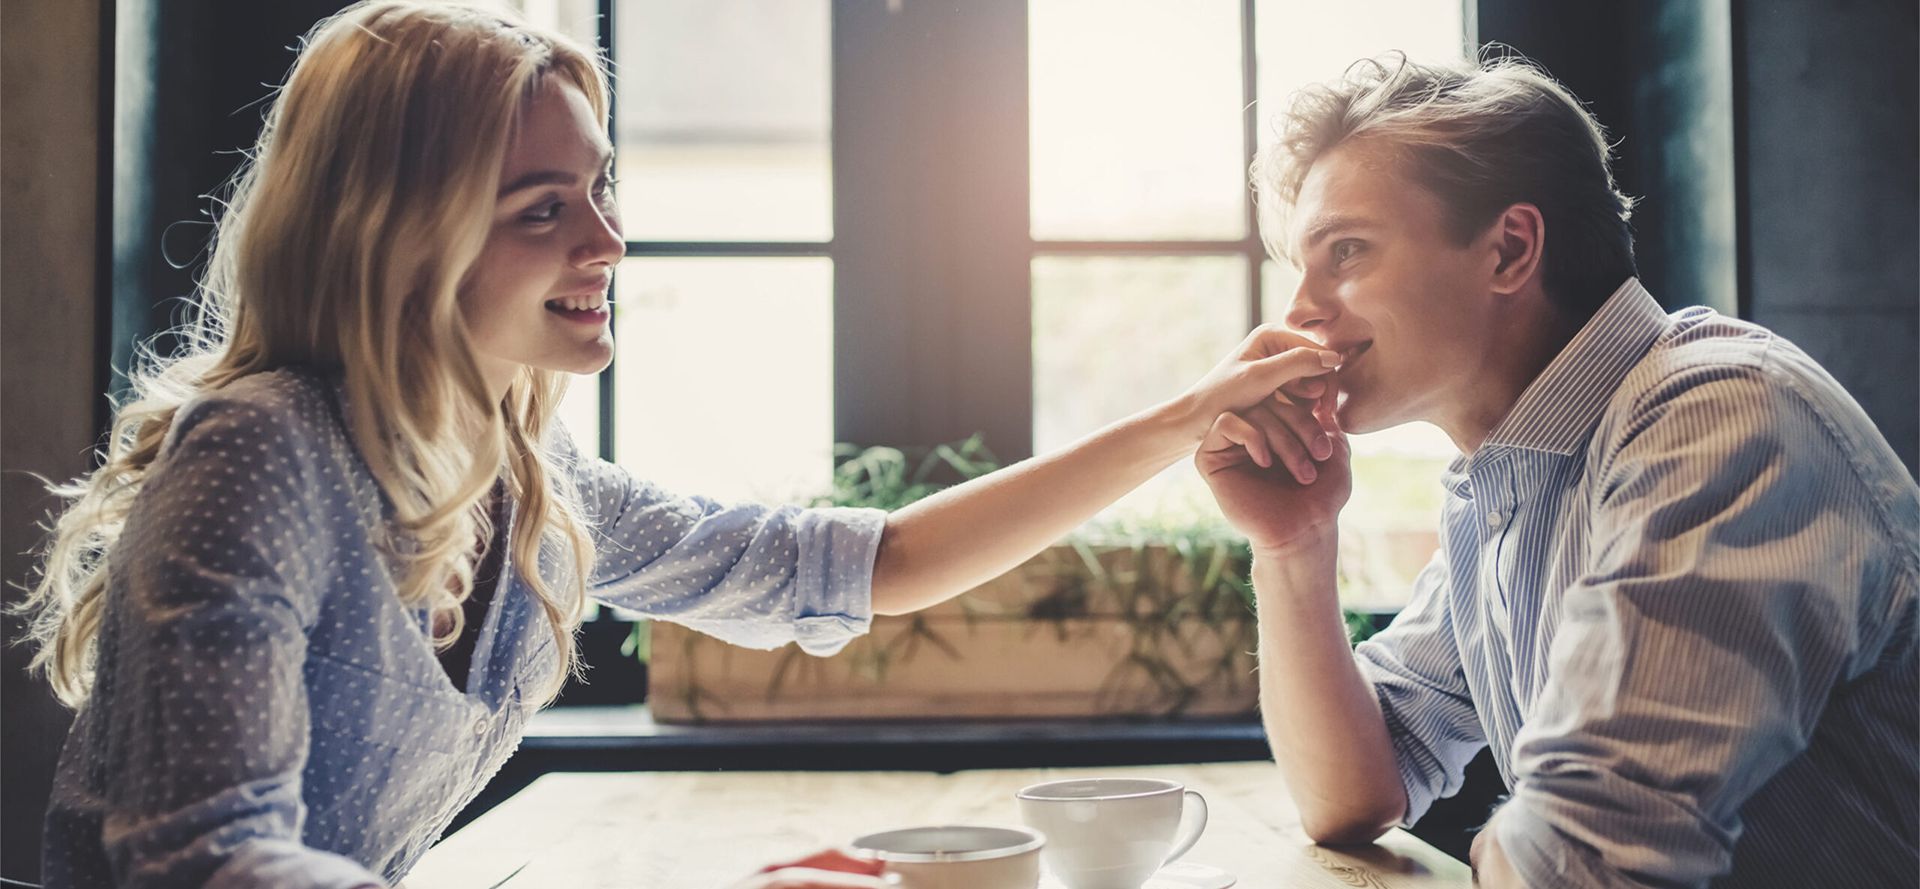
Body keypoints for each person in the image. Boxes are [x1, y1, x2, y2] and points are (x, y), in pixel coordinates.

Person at [16, 4, 1348, 888]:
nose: (607, 241)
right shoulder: (262, 452)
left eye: (599, 188)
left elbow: (852, 566)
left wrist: (1188, 418)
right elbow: (211, 862)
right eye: (546, 207)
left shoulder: (524, 478)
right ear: (398, 231)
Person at [1196, 52, 1919, 888]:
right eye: (1301, 266)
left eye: (1346, 251)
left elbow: (1581, 860)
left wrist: (1511, 846)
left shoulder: (1721, 417)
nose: (1299, 311)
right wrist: (1294, 543)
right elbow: (1352, 790)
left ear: (1509, 249)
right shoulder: (1505, 483)